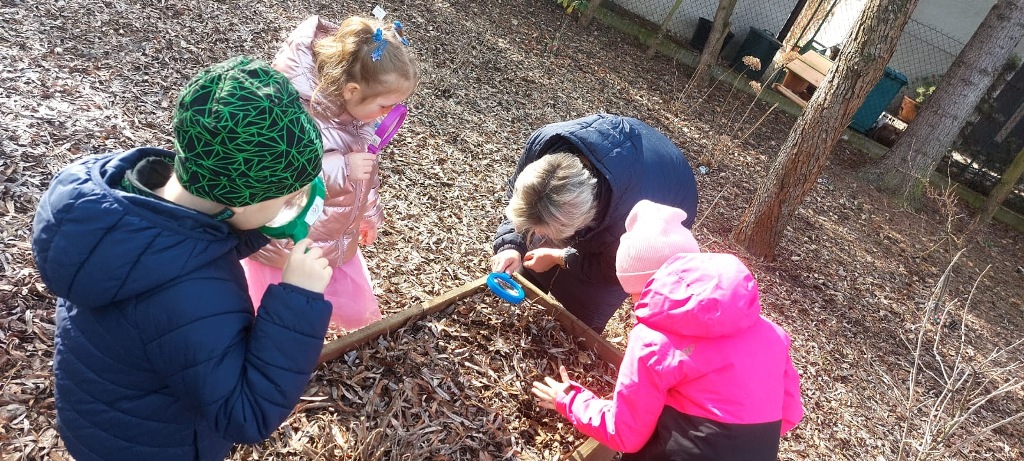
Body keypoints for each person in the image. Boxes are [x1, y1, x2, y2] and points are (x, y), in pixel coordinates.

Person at [30, 56, 334, 461]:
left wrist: (261, 223)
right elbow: (246, 413)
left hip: (100, 420)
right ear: (243, 202)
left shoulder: (118, 208)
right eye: (285, 200)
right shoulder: (190, 297)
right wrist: (298, 300)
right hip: (153, 447)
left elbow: (200, 237)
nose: (288, 206)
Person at [531, 200, 804, 460]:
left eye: (633, 293)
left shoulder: (654, 341)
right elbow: (790, 413)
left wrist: (569, 400)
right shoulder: (772, 334)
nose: (634, 304)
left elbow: (625, 433)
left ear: (646, 286)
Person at [243, 14, 420, 332]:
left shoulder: (361, 120)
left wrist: (369, 215)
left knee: (332, 307)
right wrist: (342, 167)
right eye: (385, 105)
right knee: (284, 314)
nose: (388, 114)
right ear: (352, 90)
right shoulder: (299, 113)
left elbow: (366, 174)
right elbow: (278, 172)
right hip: (289, 245)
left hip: (333, 237)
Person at [490, 114, 699, 333]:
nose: (538, 235)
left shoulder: (634, 222)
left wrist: (560, 257)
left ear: (586, 219)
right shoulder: (543, 146)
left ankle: (580, 329)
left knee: (588, 305)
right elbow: (522, 204)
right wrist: (511, 246)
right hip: (625, 161)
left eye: (550, 231)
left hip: (670, 190)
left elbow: (611, 269)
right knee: (538, 250)